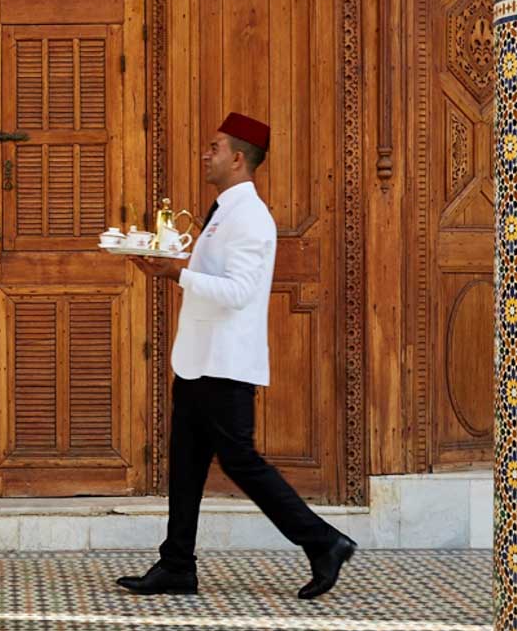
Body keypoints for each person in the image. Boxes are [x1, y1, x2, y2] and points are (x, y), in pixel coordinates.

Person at [117, 112, 356, 601]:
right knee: (186, 463)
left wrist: (176, 274)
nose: (206, 154)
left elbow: (239, 291)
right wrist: (170, 267)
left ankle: (323, 541)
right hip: (198, 360)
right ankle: (177, 564)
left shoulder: (250, 217)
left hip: (225, 365)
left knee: (241, 462)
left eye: (215, 147)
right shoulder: (223, 210)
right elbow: (212, 276)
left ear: (239, 158)